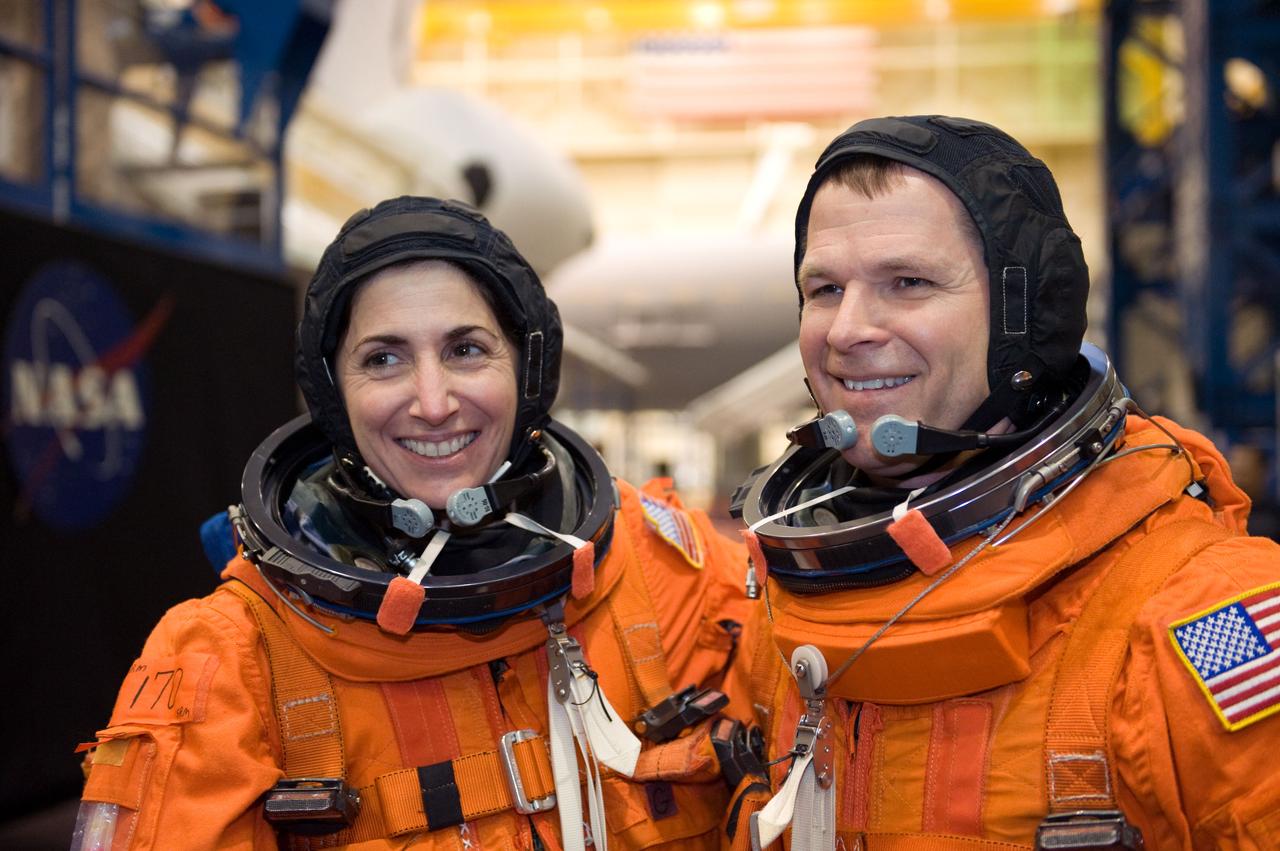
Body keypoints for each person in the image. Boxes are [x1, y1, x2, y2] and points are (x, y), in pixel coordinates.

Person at [72, 196, 756, 851]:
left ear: (527, 367)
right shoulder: (233, 660)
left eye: (465, 349)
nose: (432, 402)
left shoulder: (671, 574)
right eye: (384, 358)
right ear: (334, 394)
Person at [723, 116, 1280, 850]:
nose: (846, 328)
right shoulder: (784, 605)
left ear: (1023, 316)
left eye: (908, 282)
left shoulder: (1201, 616)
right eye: (824, 288)